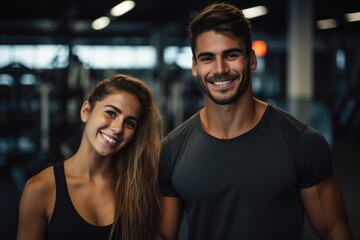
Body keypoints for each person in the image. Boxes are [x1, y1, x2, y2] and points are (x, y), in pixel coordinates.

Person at [157, 2, 353, 240]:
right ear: (195, 67)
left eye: (231, 55)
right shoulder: (172, 150)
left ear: (251, 60)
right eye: (207, 58)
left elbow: (335, 231)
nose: (220, 69)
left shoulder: (302, 144)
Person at [17, 73, 164, 240]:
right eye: (111, 113)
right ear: (86, 111)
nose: (117, 128)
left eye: (129, 123)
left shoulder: (139, 189)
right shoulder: (40, 189)